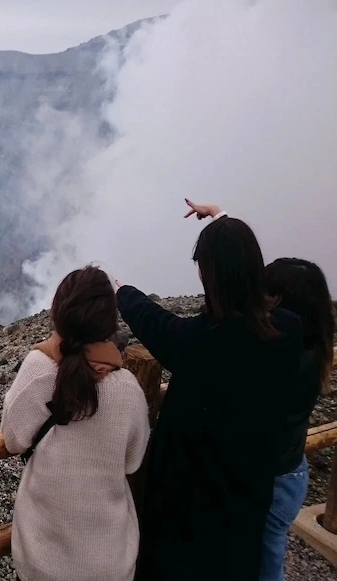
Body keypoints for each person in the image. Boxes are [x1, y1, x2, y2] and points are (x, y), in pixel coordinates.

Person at [116, 200, 303, 581]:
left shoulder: (203, 345)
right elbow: (240, 263)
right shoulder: (288, 330)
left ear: (211, 276)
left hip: (191, 515)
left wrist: (124, 293)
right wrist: (220, 218)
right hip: (247, 502)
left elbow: (158, 325)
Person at [2, 265, 150, 581]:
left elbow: (13, 439)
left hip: (41, 562)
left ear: (59, 311)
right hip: (108, 566)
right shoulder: (128, 389)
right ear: (109, 321)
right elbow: (132, 462)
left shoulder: (38, 368)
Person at [259, 257, 334, 581]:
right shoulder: (314, 352)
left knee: (261, 566)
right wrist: (221, 219)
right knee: (268, 558)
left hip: (268, 483)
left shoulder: (278, 362)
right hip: (291, 475)